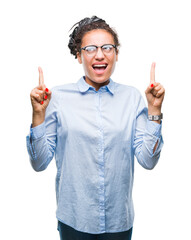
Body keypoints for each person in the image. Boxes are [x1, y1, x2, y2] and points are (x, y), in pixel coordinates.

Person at [26, 16, 165, 240]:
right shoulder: (57, 98)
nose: (99, 55)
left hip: (119, 222)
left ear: (116, 54)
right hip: (74, 220)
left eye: (107, 47)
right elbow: (39, 163)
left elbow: (148, 161)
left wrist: (155, 111)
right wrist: (38, 115)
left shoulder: (132, 98)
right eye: (90, 48)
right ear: (79, 55)